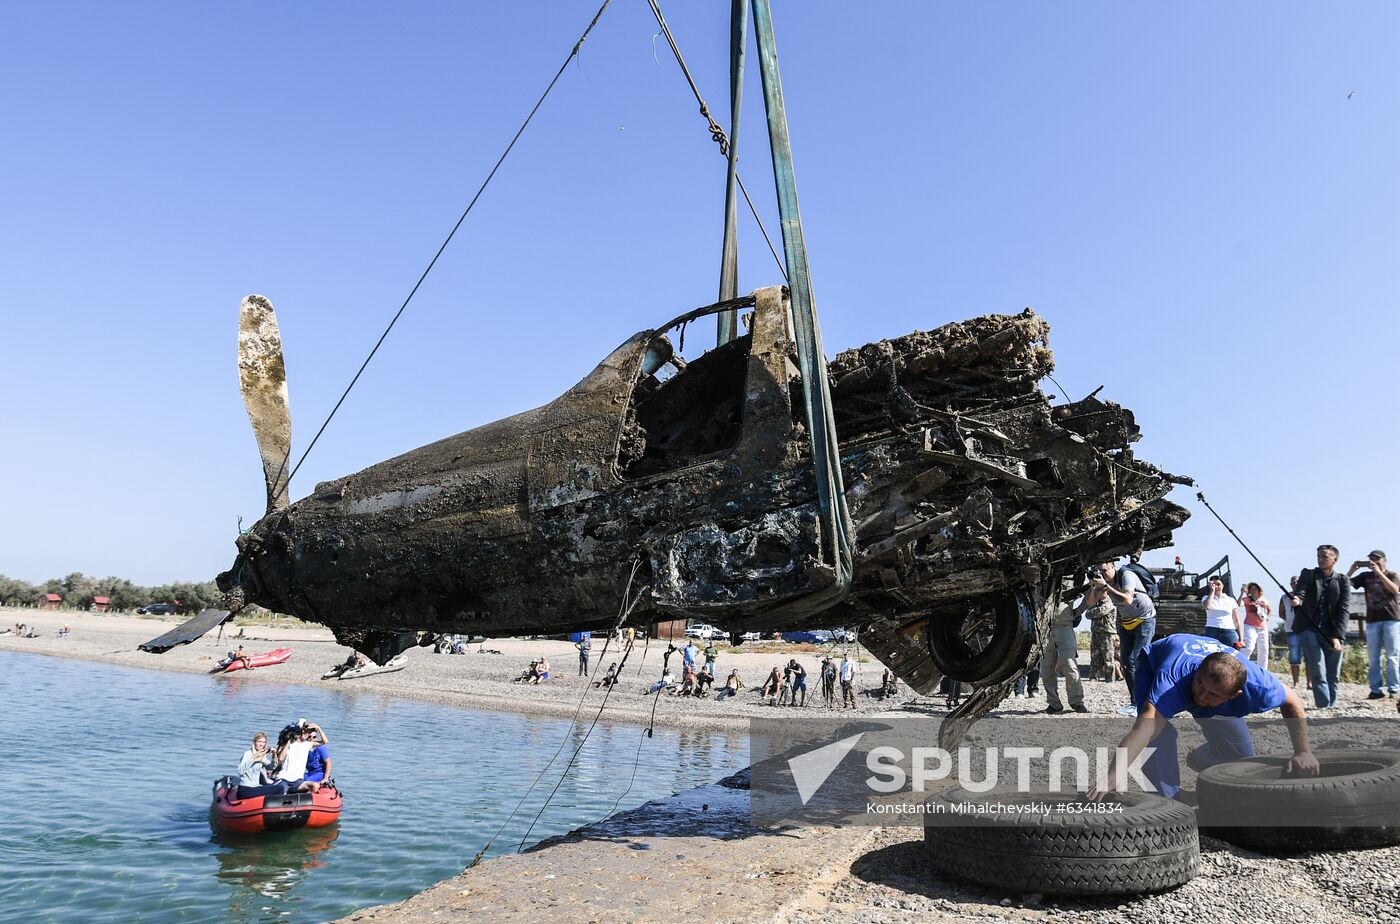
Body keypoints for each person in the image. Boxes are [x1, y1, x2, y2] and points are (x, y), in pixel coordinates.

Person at [1089, 634, 1318, 803]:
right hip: (1155, 664)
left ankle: (1199, 759)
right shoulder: (1175, 679)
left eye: (1212, 694)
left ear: (1234, 696)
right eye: (1201, 684)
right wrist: (1113, 774)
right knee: (1157, 733)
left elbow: (1293, 702)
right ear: (1198, 672)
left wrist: (1303, 751)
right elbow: (1144, 730)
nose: (1201, 695)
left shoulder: (1259, 687)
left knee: (1239, 756)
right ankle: (1167, 800)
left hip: (1216, 692)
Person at [1092, 560, 1157, 717]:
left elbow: (1127, 600)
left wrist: (1106, 586)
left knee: (1138, 660)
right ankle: (1136, 703)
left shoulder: (1126, 575)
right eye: (1099, 571)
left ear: (1113, 566)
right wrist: (1094, 585)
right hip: (1127, 622)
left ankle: (1147, 703)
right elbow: (1093, 602)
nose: (1103, 573)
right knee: (1126, 663)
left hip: (1144, 619)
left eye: (1105, 570)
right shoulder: (1105, 581)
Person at [1289, 545, 1352, 709]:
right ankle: (1323, 705)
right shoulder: (1308, 574)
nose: (1320, 559)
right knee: (1317, 667)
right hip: (1309, 628)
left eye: (1324, 556)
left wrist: (1337, 636)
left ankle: (1332, 705)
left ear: (1335, 559)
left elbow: (1344, 608)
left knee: (1333, 673)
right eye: (1319, 556)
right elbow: (1301, 591)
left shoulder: (1343, 580)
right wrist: (1297, 600)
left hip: (1332, 631)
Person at [1348, 550, 1400, 699]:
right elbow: (1344, 584)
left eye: (1377, 559)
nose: (1374, 562)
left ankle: (1394, 689)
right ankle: (1375, 690)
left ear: (1384, 560)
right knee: (1373, 656)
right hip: (1372, 620)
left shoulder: (1392, 575)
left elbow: (1395, 590)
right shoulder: (1365, 577)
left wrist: (1379, 573)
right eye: (1371, 560)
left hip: (1391, 619)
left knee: (1392, 656)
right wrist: (1352, 569)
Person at [1041, 595, 1090, 714]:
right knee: (1046, 669)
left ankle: (1077, 702)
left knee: (1070, 665)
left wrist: (1077, 612)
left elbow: (1089, 592)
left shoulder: (1071, 580)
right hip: (1044, 628)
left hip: (1065, 627)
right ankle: (1054, 703)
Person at [236, 731, 290, 799]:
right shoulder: (248, 754)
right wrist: (253, 758)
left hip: (256, 786)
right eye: (259, 741)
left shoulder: (262, 756)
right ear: (254, 742)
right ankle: (274, 807)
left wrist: (274, 757)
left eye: (264, 742)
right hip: (246, 789)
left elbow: (270, 767)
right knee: (280, 789)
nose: (261, 744)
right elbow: (240, 771)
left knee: (278, 785)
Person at [275, 722, 321, 793]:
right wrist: (288, 741)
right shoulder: (289, 744)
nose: (307, 734)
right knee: (282, 791)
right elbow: (280, 758)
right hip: (284, 779)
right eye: (304, 731)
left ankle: (307, 802)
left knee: (315, 785)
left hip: (297, 781)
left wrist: (318, 728)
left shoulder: (307, 745)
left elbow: (325, 741)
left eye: (308, 733)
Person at [1201, 577, 1243, 648]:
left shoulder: (1231, 600)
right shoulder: (1206, 598)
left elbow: (1237, 620)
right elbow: (1207, 607)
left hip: (1229, 630)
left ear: (1223, 585)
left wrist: (1241, 639)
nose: (1216, 587)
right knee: (1212, 654)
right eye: (1214, 584)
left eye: (1218, 584)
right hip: (1212, 629)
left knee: (1231, 653)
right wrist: (1212, 591)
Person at [1238, 582, 1272, 668]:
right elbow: (1238, 604)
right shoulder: (1246, 599)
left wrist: (1267, 617)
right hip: (1250, 625)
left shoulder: (1263, 600)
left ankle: (1263, 670)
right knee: (1249, 647)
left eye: (1255, 589)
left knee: (1264, 650)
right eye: (1252, 589)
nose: (1253, 591)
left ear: (1259, 591)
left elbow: (1269, 610)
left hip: (1262, 626)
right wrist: (1241, 593)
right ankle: (1241, 666)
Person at [1279, 576, 1305, 688]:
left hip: (1305, 629)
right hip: (1291, 629)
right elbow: (1281, 613)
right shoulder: (1284, 597)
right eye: (1293, 582)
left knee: (1309, 656)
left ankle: (1309, 683)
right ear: (1290, 584)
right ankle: (1296, 682)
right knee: (1294, 657)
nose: (1295, 583)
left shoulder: (1306, 595)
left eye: (1297, 581)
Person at [1085, 591, 1117, 681]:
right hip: (1096, 633)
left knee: (1108, 658)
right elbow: (1087, 614)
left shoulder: (1110, 603)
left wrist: (1092, 611)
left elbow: (1099, 612)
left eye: (1100, 591)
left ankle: (1109, 679)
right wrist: (1092, 611)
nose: (1098, 593)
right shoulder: (1096, 604)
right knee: (1094, 657)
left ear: (1106, 593)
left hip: (1107, 634)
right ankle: (1093, 677)